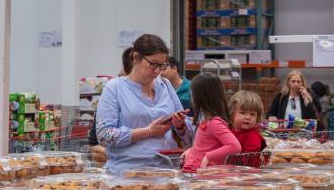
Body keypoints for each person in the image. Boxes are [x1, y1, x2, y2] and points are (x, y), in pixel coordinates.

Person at [96, 33, 194, 175]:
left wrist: (181, 126)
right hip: (126, 173)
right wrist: (147, 132)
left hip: (166, 171)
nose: (157, 71)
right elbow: (104, 135)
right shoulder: (115, 87)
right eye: (153, 64)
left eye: (162, 66)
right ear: (136, 58)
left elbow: (188, 130)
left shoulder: (165, 85)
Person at [181, 74, 240, 172]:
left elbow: (234, 146)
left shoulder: (214, 123)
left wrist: (209, 156)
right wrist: (192, 150)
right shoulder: (206, 120)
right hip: (196, 172)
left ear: (199, 96)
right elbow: (207, 144)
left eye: (192, 92)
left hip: (203, 176)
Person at [228, 90, 267, 168]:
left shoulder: (253, 138)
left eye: (252, 114)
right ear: (232, 113)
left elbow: (248, 165)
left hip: (245, 175)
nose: (248, 117)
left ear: (257, 117)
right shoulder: (229, 131)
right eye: (242, 112)